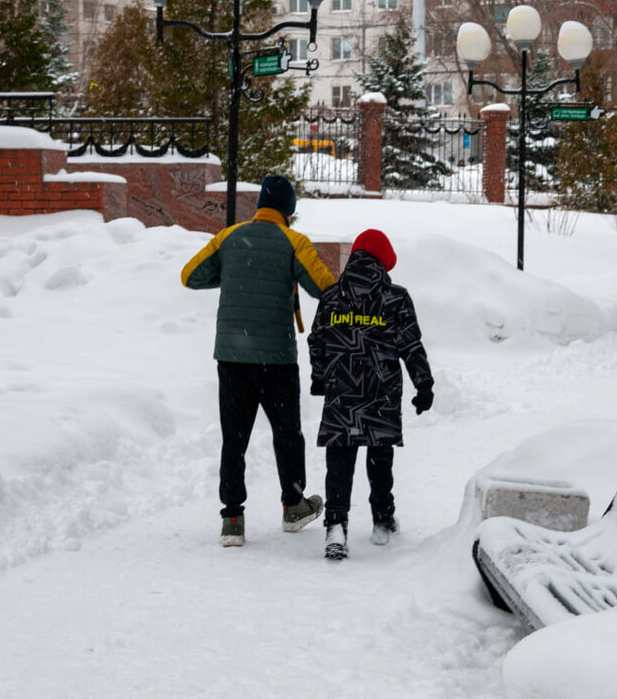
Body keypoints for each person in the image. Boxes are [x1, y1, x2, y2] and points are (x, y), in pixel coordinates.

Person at [181, 175, 336, 547]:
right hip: (277, 358)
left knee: (234, 439)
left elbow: (190, 276)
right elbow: (325, 288)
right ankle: (293, 505)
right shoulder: (294, 242)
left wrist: (234, 275)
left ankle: (232, 518)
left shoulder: (230, 237)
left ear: (259, 206)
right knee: (287, 434)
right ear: (289, 209)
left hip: (232, 356)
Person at [307, 229, 434, 560]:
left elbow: (316, 339)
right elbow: (411, 345)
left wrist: (320, 376)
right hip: (381, 392)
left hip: (342, 392)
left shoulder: (332, 296)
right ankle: (382, 519)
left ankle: (336, 525)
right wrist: (424, 384)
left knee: (340, 460)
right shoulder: (396, 298)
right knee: (380, 458)